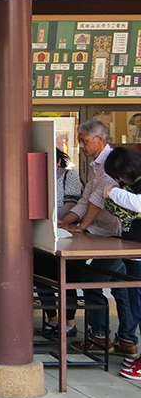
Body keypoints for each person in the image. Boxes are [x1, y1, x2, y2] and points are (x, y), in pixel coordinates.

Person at [60, 119, 139, 358]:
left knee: (111, 283)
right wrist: (68, 223)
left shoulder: (112, 162)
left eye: (84, 141)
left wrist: (82, 226)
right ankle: (115, 338)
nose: (81, 146)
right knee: (112, 283)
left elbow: (99, 200)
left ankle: (117, 338)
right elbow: (87, 199)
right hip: (105, 234)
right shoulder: (96, 164)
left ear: (100, 140)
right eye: (80, 141)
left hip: (119, 235)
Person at [102, 147, 141, 379]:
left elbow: (138, 204)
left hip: (138, 256)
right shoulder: (132, 185)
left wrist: (112, 192)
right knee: (136, 307)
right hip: (132, 254)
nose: (119, 180)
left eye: (119, 175)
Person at [35, 148, 82, 337]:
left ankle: (69, 323)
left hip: (66, 233)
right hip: (42, 233)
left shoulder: (70, 175)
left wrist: (52, 217)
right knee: (41, 277)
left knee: (68, 277)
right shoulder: (36, 176)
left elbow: (72, 203)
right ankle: (52, 319)